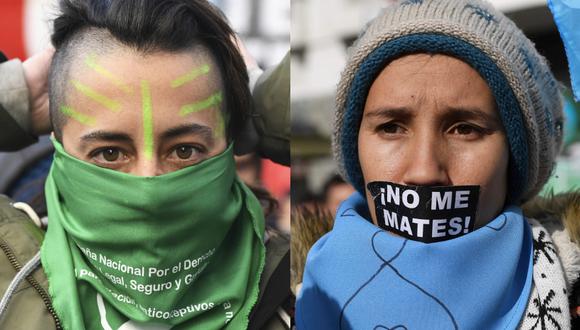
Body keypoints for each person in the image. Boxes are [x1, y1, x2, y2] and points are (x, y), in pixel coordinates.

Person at [0, 0, 290, 329]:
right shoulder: (6, 271)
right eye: (110, 153)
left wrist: (266, 111)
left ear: (230, 140)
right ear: (58, 141)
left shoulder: (305, 291)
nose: (148, 185)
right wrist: (14, 94)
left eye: (184, 151)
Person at [295, 0, 580, 329]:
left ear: (516, 161)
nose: (424, 172)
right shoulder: (282, 299)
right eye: (391, 127)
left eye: (465, 129)